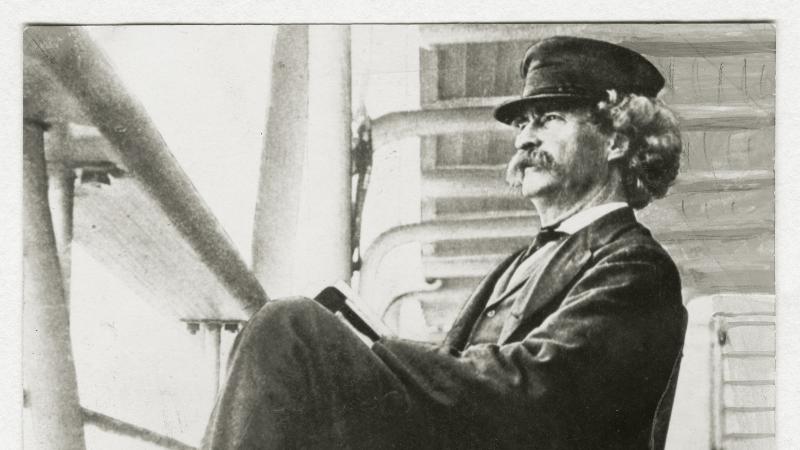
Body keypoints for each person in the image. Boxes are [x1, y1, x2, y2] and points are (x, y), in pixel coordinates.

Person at [201, 36, 687, 450]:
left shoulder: (637, 266)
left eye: (549, 118)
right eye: (522, 124)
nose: (523, 140)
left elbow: (540, 392)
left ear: (617, 141)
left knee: (292, 330)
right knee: (290, 343)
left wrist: (376, 351)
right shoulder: (519, 262)